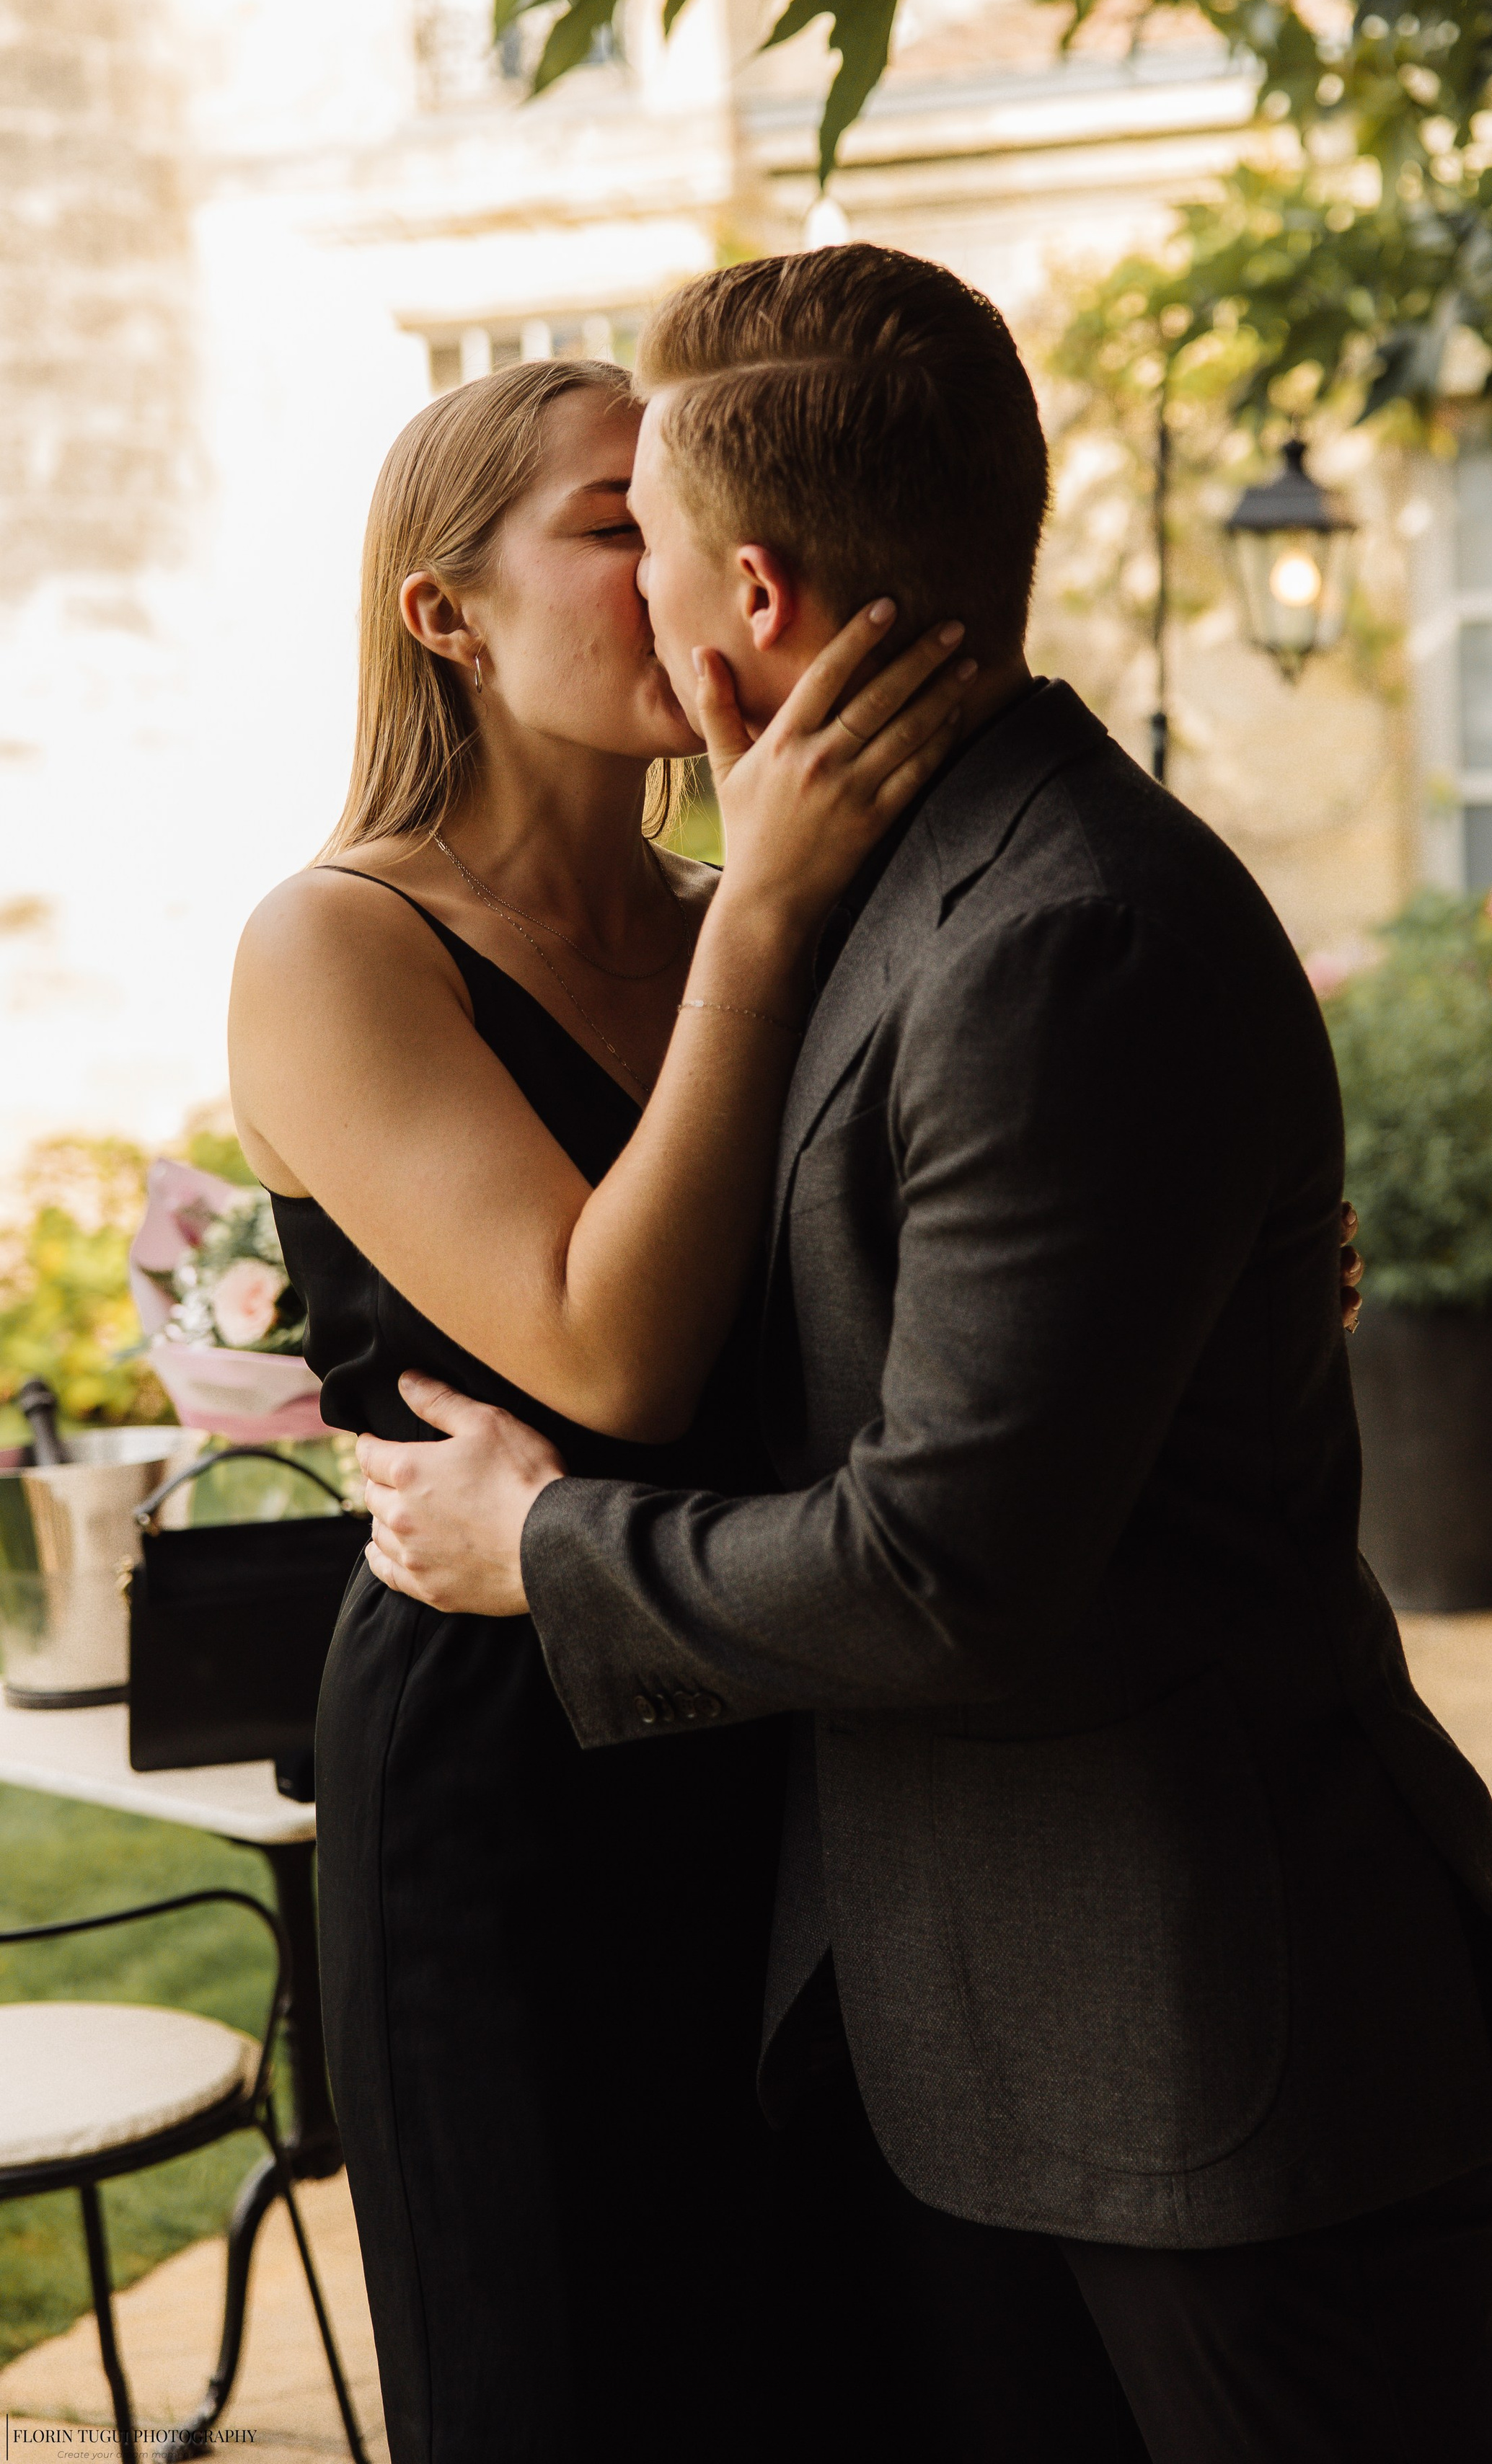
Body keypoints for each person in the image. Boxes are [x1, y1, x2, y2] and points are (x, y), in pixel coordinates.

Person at [359, 246, 1492, 2464]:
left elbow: (944, 1569)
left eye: (653, 541)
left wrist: (546, 1550)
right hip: (973, 2016)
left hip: (1201, 2034)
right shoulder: (882, 887)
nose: (641, 609)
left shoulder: (1055, 932)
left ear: (757, 593)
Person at [225, 353, 974, 2463]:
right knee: (570, 2388)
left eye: (681, 516)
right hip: (503, 1783)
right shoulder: (335, 944)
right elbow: (611, 1349)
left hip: (779, 1720)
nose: (677, 573)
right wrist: (773, 907)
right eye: (606, 524)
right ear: (441, 616)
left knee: (809, 2374)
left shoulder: (732, 915)